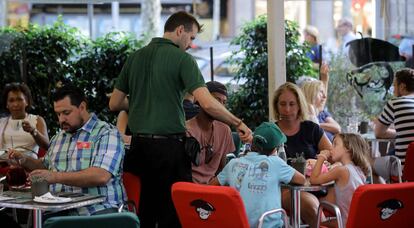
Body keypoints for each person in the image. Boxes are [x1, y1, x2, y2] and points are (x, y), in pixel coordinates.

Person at [108, 11, 252, 228]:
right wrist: (238, 123)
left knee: (144, 212)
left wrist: (142, 101)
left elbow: (114, 103)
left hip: (139, 148)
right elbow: (208, 103)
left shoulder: (135, 57)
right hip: (169, 149)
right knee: (174, 214)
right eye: (192, 38)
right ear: (179, 30)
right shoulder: (183, 59)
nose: (191, 44)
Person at [9, 85, 126, 216]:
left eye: (66, 113)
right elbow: (45, 166)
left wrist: (55, 176)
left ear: (82, 107)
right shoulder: (59, 137)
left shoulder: (106, 133)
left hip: (98, 210)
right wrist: (23, 159)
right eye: (58, 114)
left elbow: (101, 175)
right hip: (58, 211)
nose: (61, 119)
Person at [210, 122, 306, 227]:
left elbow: (210, 187)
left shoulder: (233, 163)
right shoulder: (275, 163)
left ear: (252, 143)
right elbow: (301, 180)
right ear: (275, 149)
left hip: (237, 224)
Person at [272, 82, 332, 227]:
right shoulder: (271, 131)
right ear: (276, 106)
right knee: (312, 206)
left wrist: (319, 159)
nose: (287, 109)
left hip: (316, 186)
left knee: (344, 201)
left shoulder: (311, 129)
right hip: (284, 190)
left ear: (300, 105)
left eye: (292, 104)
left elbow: (332, 154)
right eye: (283, 104)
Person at [310, 133, 370, 227]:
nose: (331, 148)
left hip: (346, 222)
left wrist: (321, 158)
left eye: (335, 144)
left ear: (348, 148)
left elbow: (313, 180)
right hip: (359, 221)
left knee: (315, 224)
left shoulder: (341, 170)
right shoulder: (359, 170)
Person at [186, 81, 235, 184]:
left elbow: (222, 169)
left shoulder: (225, 130)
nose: (221, 106)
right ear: (202, 100)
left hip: (212, 190)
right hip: (188, 188)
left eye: (224, 102)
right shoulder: (186, 130)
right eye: (216, 100)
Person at [374, 68, 414, 172]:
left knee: (370, 164)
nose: (393, 88)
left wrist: (398, 132)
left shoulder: (395, 103)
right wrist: (402, 132)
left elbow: (378, 133)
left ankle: (392, 188)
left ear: (402, 86)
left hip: (404, 169)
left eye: (394, 85)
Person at [0, 83, 49, 158]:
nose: (16, 104)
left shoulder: (37, 120)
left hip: (29, 164)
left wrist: (33, 131)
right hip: (5, 162)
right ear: (7, 104)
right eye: (11, 100)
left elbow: (47, 146)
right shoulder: (2, 122)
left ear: (26, 102)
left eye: (19, 99)